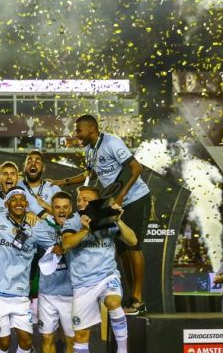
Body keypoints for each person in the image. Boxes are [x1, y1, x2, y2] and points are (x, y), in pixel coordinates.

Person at [51, 115, 150, 314]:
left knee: (133, 245)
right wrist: (64, 182)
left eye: (79, 130)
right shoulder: (89, 150)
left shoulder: (112, 142)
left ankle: (138, 299)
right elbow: (90, 175)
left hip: (135, 198)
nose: (76, 134)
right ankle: (130, 297)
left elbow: (136, 169)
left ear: (92, 128)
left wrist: (120, 198)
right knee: (121, 249)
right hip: (112, 201)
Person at [61, 186, 137, 353]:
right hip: (83, 285)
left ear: (96, 202)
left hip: (107, 276)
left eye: (86, 199)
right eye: (79, 199)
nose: (81, 203)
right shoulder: (73, 221)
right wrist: (84, 230)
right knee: (81, 336)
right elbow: (66, 244)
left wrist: (119, 220)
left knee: (113, 302)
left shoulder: (108, 217)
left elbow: (132, 240)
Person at [0, 188, 56, 353]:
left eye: (22, 200)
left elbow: (58, 238)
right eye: (13, 200)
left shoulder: (35, 226)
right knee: (4, 342)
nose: (18, 203)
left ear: (27, 205)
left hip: (21, 296)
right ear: (6, 204)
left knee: (26, 341)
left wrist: (46, 214)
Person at [37, 192, 79, 353]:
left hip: (71, 293)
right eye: (57, 207)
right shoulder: (41, 227)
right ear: (51, 209)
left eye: (65, 207)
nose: (61, 210)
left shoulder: (78, 227)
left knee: (71, 339)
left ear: (70, 209)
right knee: (47, 337)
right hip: (47, 292)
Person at [20, 151, 61, 216]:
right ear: (24, 168)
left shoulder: (54, 189)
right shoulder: (16, 188)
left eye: (37, 162)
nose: (33, 164)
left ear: (43, 168)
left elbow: (61, 217)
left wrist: (46, 206)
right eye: (29, 162)